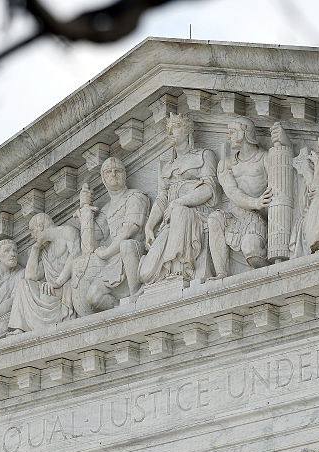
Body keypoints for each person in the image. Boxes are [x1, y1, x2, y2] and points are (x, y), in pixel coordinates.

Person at [139, 113, 218, 284]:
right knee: (146, 275)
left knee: (180, 212)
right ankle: (168, 268)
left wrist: (179, 202)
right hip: (170, 221)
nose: (170, 133)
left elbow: (209, 189)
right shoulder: (167, 167)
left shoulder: (204, 155)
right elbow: (162, 199)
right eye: (168, 129)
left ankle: (180, 269)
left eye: (175, 128)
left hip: (196, 214)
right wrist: (149, 226)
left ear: (187, 131)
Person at [75, 157, 151, 311]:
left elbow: (130, 229)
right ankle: (121, 311)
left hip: (134, 255)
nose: (114, 174)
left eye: (118, 171)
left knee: (126, 244)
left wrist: (106, 252)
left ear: (125, 175)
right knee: (93, 297)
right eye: (109, 172)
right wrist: (85, 208)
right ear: (103, 178)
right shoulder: (106, 208)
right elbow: (89, 247)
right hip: (114, 263)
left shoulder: (136, 196)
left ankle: (136, 293)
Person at [208, 117, 275, 278]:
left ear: (245, 133)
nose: (229, 137)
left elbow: (277, 188)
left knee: (252, 250)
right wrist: (255, 202)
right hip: (234, 216)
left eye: (232, 132)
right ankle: (222, 273)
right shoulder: (226, 164)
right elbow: (232, 192)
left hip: (256, 218)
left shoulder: (265, 158)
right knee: (214, 218)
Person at [8, 212, 79, 333]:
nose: (31, 235)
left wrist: (58, 282)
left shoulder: (67, 231)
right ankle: (21, 327)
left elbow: (75, 257)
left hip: (67, 285)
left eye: (32, 230)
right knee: (22, 285)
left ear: (40, 226)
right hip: (52, 290)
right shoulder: (45, 248)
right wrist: (35, 248)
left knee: (45, 294)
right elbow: (30, 276)